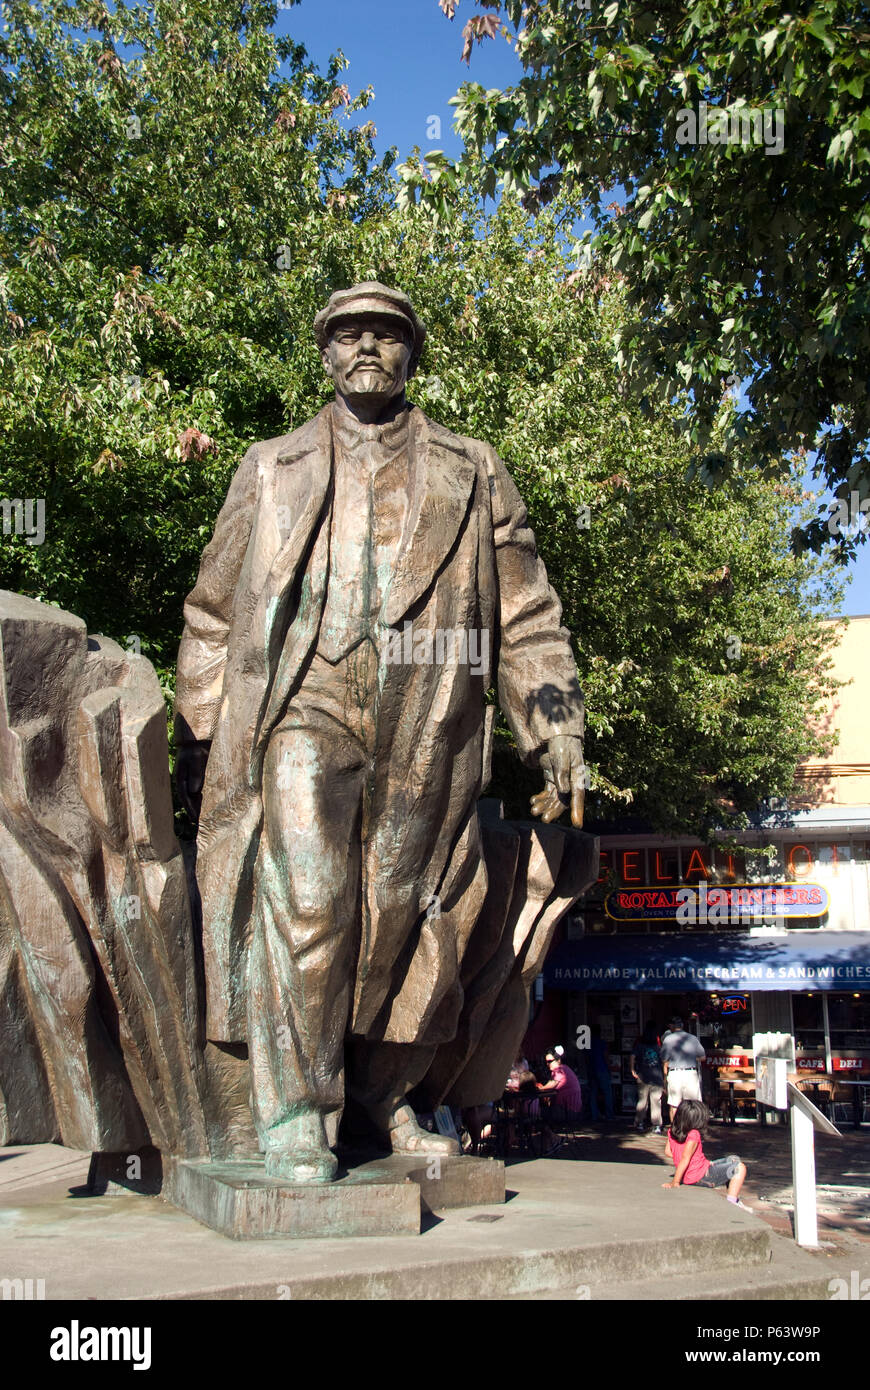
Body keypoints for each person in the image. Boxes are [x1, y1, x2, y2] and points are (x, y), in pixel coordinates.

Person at [174, 282, 587, 1183]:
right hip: (302, 702)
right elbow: (212, 605)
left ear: (412, 354)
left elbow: (525, 612)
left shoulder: (473, 470)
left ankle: (383, 1094)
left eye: (387, 335)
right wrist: (203, 724)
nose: (367, 348)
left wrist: (554, 719)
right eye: (349, 334)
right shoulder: (269, 467)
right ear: (324, 353)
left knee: (409, 914)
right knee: (313, 902)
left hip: (427, 716)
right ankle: (296, 1110)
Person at [662, 1100, 751, 1209]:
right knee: (739, 1167)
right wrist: (675, 1182)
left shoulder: (672, 1131)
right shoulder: (693, 1134)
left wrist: (684, 1159)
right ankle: (732, 1202)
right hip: (701, 1176)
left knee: (733, 1159)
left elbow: (668, 1152)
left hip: (696, 1171)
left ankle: (733, 1197)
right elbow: (685, 1159)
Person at [659, 1015, 706, 1114]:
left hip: (675, 1073)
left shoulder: (668, 1039)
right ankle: (692, 1127)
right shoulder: (693, 1038)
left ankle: (675, 1128)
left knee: (674, 1104)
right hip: (690, 1073)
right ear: (682, 1026)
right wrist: (692, 1058)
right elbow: (703, 1057)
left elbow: (664, 1059)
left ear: (672, 1026)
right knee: (693, 1104)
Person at [631, 1020, 665, 1133]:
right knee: (656, 1101)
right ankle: (656, 1125)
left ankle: (640, 1122)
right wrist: (665, 1076)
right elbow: (664, 1061)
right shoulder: (658, 1046)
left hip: (643, 1075)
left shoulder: (640, 1045)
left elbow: (632, 1056)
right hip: (657, 1077)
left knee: (642, 1101)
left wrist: (632, 1069)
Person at [585, 1024, 615, 1121]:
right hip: (602, 1069)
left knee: (593, 1093)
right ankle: (609, 1115)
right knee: (607, 1092)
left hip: (592, 1070)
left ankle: (594, 1115)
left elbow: (587, 1058)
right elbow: (606, 1057)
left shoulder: (588, 1044)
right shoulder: (602, 1043)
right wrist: (609, 1068)